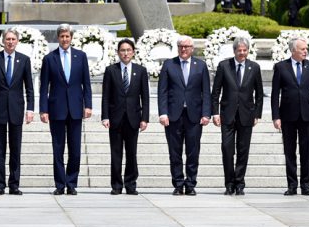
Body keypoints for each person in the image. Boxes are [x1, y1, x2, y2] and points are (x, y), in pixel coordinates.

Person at [39, 23, 92, 195]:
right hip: (56, 109)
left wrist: (88, 105)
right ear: (58, 38)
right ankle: (60, 184)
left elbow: (87, 84)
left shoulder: (80, 56)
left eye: (67, 36)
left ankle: (71, 182)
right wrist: (43, 109)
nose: (64, 39)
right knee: (58, 148)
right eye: (62, 36)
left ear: (71, 37)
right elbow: (44, 86)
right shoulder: (49, 58)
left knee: (75, 149)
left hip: (76, 108)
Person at [0, 28, 34, 195]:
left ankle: (14, 184)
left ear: (17, 41)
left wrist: (30, 109)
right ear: (3, 41)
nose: (10, 42)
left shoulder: (24, 60)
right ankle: (0, 185)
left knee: (15, 149)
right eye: (8, 39)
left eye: (13, 39)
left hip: (16, 110)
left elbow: (29, 88)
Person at [158, 35, 211, 196]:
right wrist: (163, 113)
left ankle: (190, 184)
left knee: (193, 152)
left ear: (192, 48)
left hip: (194, 116)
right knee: (175, 152)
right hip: (173, 116)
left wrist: (206, 113)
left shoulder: (200, 66)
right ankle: (178, 183)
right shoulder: (169, 64)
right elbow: (163, 91)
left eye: (187, 46)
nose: (183, 49)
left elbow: (206, 92)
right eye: (181, 46)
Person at [211, 36, 263, 196]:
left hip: (246, 115)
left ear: (248, 51)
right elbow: (216, 92)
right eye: (239, 50)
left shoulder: (254, 67)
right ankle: (229, 183)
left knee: (243, 150)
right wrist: (215, 112)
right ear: (234, 51)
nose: (242, 53)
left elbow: (260, 93)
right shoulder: (224, 66)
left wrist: (257, 114)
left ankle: (239, 183)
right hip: (227, 115)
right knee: (227, 149)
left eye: (244, 50)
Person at [271, 36, 309, 196]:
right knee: (290, 151)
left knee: (306, 151)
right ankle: (292, 185)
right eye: (302, 49)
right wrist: (276, 116)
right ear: (293, 51)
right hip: (288, 116)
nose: (305, 51)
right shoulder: (281, 67)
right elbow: (274, 94)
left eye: (306, 48)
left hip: (307, 116)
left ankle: (306, 185)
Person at [101, 38, 149, 195]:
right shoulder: (111, 70)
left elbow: (145, 97)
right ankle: (116, 185)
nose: (126, 53)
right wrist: (105, 116)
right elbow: (106, 96)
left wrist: (144, 118)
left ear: (133, 52)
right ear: (118, 53)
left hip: (133, 118)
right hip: (115, 118)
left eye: (128, 50)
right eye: (123, 50)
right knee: (116, 153)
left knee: (131, 153)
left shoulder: (140, 71)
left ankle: (130, 184)